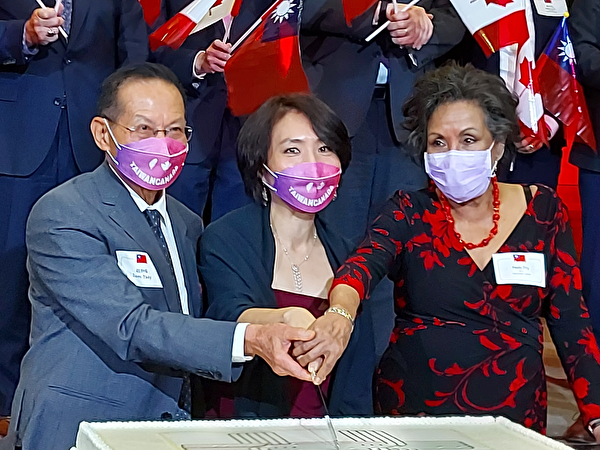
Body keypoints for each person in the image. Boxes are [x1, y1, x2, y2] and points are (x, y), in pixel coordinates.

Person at [0, 63, 316, 450]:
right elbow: (131, 326)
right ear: (103, 133)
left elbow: (193, 320)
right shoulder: (64, 212)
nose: (162, 143)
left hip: (169, 421)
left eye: (174, 130)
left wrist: (279, 320)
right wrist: (252, 339)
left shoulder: (187, 222)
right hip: (81, 424)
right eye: (145, 129)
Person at [293, 64, 600, 437]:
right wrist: (340, 313)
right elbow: (360, 267)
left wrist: (595, 413)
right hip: (415, 415)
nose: (452, 154)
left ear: (498, 146)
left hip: (514, 420)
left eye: (469, 140)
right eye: (439, 142)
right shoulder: (409, 210)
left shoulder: (544, 211)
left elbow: (572, 323)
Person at [0, 0, 150, 421]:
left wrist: (135, 120)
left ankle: (80, 398)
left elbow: (133, 50)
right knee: (10, 280)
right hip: (18, 142)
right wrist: (22, 36)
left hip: (92, 140)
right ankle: (6, 407)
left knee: (93, 279)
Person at [300, 0, 466, 360]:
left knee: (396, 256)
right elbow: (298, 7)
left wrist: (428, 28)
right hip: (332, 107)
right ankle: (318, 375)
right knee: (330, 249)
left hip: (408, 117)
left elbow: (466, 15)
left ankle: (378, 382)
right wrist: (376, 12)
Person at [200, 94, 377, 417]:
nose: (313, 161)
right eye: (292, 150)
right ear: (262, 169)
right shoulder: (227, 237)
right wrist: (285, 319)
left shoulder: (349, 251)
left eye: (324, 148)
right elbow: (227, 314)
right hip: (247, 425)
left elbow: (357, 368)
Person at [154, 0, 272, 222]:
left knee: (235, 231)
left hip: (247, 127)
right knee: (180, 226)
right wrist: (198, 62)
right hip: (191, 122)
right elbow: (152, 49)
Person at [446, 0, 571, 189]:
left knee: (533, 213)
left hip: (540, 141)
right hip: (475, 134)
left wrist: (549, 121)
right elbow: (451, 53)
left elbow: (570, 53)